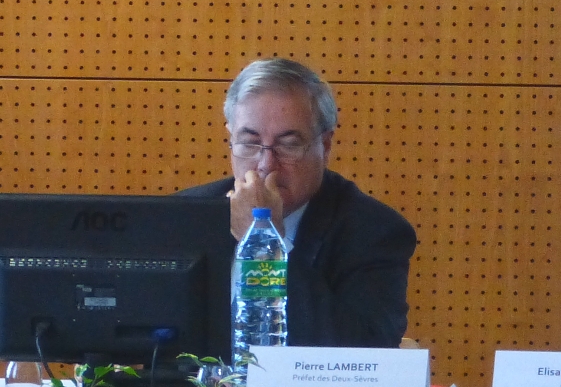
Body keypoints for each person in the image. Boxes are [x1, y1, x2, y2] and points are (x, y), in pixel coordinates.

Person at [178, 57, 417, 348]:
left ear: (325, 145)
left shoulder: (373, 232)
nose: (266, 164)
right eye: (250, 143)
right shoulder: (185, 217)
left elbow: (362, 348)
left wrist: (266, 243)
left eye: (288, 145)